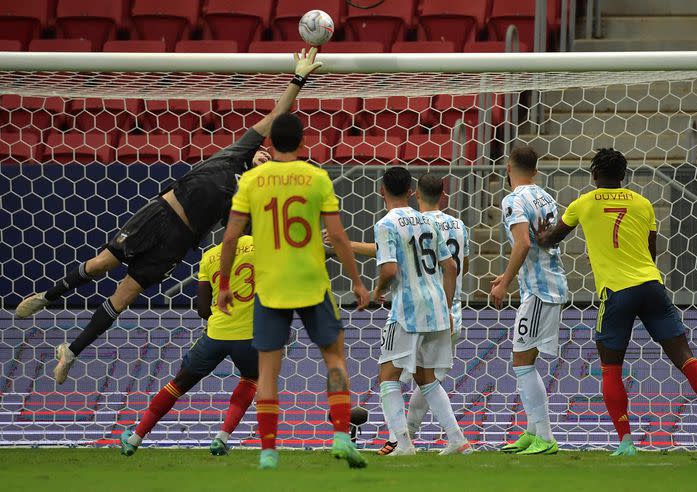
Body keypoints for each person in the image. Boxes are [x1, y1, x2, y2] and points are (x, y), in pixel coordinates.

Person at [14, 49, 323, 386]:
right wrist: (299, 78)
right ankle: (47, 297)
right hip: (160, 214)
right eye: (264, 152)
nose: (266, 155)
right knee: (103, 264)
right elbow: (278, 114)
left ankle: (71, 352)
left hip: (179, 242)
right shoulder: (237, 154)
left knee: (125, 295)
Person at [536, 148, 697, 455]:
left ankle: (626, 442)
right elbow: (652, 251)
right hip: (651, 286)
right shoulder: (643, 203)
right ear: (624, 176)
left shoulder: (582, 204)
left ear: (594, 174)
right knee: (686, 358)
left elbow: (553, 238)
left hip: (617, 292)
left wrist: (541, 235)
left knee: (611, 367)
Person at [216, 113, 370, 470]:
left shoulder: (253, 180)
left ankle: (268, 451)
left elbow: (230, 237)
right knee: (334, 359)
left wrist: (224, 285)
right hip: (313, 284)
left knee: (268, 372)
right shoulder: (316, 178)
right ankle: (341, 437)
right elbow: (341, 238)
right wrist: (358, 282)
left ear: (269, 144)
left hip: (270, 288)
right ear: (303, 143)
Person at [335, 173, 470, 455]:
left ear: (381, 189)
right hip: (437, 308)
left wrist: (377, 291)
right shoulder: (428, 221)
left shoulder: (385, 224)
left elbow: (389, 270)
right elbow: (452, 268)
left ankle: (405, 444)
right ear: (410, 191)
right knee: (426, 377)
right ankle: (457, 440)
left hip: (408, 309)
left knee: (388, 377)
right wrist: (444, 304)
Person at [120, 233, 259, 457]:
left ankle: (135, 439)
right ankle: (221, 439)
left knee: (179, 384)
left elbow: (202, 308)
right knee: (251, 379)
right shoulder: (263, 248)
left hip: (216, 334)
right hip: (250, 336)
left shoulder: (211, 256)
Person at [490, 146, 568, 455]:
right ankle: (532, 430)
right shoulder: (545, 197)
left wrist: (504, 283)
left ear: (508, 167)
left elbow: (523, 242)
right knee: (526, 359)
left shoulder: (513, 200)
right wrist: (507, 275)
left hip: (539, 289)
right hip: (547, 283)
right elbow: (541, 242)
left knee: (522, 361)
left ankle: (545, 437)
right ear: (535, 170)